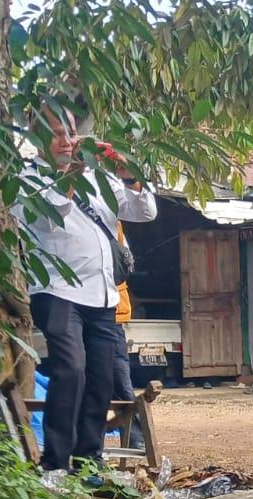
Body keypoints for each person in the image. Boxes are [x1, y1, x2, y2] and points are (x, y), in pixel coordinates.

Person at [19, 106, 156, 472]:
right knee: (70, 371)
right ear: (36, 139)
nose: (66, 140)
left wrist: (130, 176)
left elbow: (145, 212)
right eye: (56, 134)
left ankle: (88, 461)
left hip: (103, 294)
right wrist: (77, 169)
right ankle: (55, 464)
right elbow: (52, 213)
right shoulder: (28, 178)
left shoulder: (97, 180)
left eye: (69, 132)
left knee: (102, 378)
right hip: (58, 290)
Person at [111, 230, 145, 451]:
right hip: (80, 308)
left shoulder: (114, 222)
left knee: (121, 383)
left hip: (111, 312)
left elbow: (124, 261)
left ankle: (135, 438)